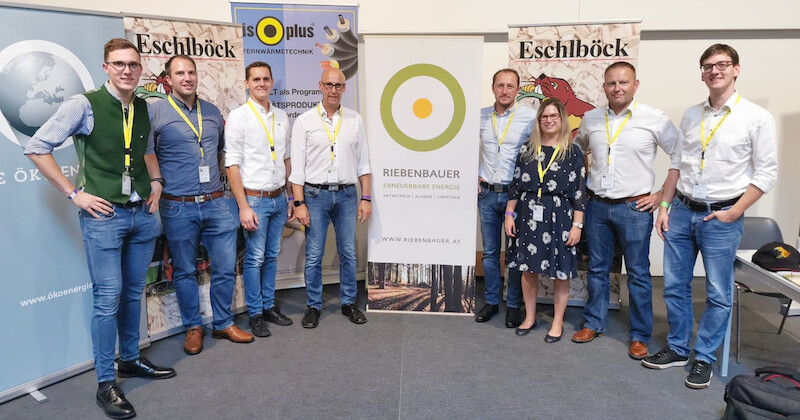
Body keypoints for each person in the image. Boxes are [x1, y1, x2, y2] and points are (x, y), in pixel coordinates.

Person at [24, 38, 175, 419]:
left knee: (132, 292)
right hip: (104, 217)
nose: (127, 70)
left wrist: (156, 183)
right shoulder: (84, 104)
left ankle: (129, 359)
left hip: (142, 213)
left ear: (141, 70)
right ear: (106, 67)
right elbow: (37, 147)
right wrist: (75, 194)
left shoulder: (143, 106)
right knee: (108, 298)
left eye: (133, 64)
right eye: (119, 64)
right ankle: (106, 383)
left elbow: (144, 149)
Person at [644, 44, 778, 389]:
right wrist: (664, 207)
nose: (714, 71)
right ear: (702, 72)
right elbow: (677, 164)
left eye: (722, 64)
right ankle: (677, 348)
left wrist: (733, 212)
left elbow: (765, 174)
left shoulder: (756, 117)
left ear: (736, 69)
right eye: (707, 66)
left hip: (722, 216)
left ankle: (703, 357)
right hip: (683, 210)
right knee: (674, 286)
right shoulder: (691, 115)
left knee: (718, 292)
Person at [571, 62, 680, 360]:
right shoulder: (590, 118)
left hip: (634, 208)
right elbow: (576, 149)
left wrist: (661, 196)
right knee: (596, 269)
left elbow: (681, 158)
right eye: (611, 83)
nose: (617, 88)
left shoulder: (654, 119)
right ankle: (593, 323)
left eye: (623, 82)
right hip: (596, 206)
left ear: (635, 84)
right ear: (603, 86)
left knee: (639, 273)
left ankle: (640, 335)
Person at [150, 55, 254, 355]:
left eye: (191, 72)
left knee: (224, 267)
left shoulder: (210, 111)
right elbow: (149, 155)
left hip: (215, 203)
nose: (187, 78)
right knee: (184, 270)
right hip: (177, 206)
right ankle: (193, 327)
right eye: (179, 73)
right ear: (168, 79)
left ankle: (222, 323)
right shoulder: (156, 112)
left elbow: (221, 151)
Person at [289, 68, 372, 329]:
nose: (333, 89)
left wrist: (366, 197)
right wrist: (299, 203)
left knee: (348, 252)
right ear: (320, 86)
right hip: (315, 195)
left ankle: (348, 302)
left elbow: (364, 164)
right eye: (329, 84)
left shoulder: (355, 120)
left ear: (344, 88)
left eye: (338, 85)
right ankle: (313, 305)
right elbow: (297, 170)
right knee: (314, 254)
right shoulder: (304, 121)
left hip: (348, 195)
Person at [504, 98, 586, 343]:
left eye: (554, 116)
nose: (549, 120)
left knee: (560, 273)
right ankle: (529, 317)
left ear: (562, 119)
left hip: (560, 216)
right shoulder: (527, 149)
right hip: (529, 214)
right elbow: (515, 186)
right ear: (539, 121)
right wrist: (510, 215)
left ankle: (558, 321)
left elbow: (580, 191)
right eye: (544, 117)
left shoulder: (572, 152)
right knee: (528, 270)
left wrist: (577, 225)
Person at [225, 61, 294, 337]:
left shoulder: (282, 116)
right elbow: (231, 165)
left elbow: (286, 157)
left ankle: (268, 306)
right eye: (256, 79)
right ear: (246, 83)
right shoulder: (239, 117)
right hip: (254, 200)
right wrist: (243, 206)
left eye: (266, 78)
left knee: (272, 256)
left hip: (279, 198)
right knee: (254, 258)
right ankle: (255, 313)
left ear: (272, 82)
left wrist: (289, 196)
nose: (262, 83)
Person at [476, 69, 535, 327]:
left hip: (516, 196)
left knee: (515, 254)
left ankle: (513, 304)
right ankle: (491, 301)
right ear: (492, 88)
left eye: (510, 86)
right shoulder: (478, 117)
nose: (505, 90)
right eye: (500, 85)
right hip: (487, 194)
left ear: (517, 89)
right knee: (490, 253)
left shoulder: (530, 118)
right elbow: (462, 149)